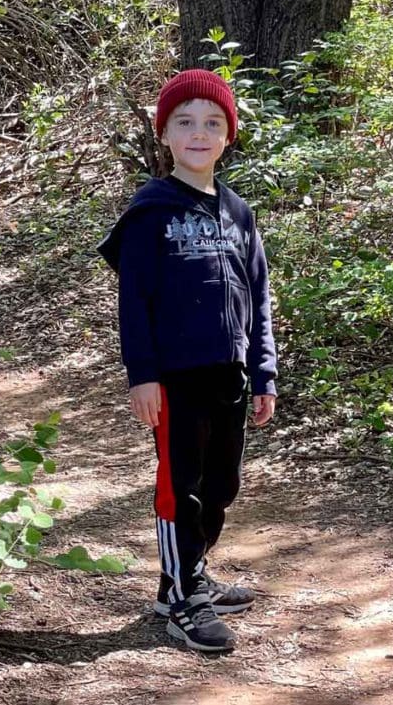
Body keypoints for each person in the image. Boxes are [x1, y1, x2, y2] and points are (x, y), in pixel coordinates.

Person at [97, 68, 277, 653]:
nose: (199, 133)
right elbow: (135, 301)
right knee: (183, 488)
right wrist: (142, 375)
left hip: (229, 373)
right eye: (185, 122)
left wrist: (263, 372)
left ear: (229, 135)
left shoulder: (237, 213)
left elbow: (258, 297)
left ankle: (187, 574)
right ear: (165, 134)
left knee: (222, 485)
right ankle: (182, 600)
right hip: (174, 377)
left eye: (212, 122)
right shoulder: (151, 210)